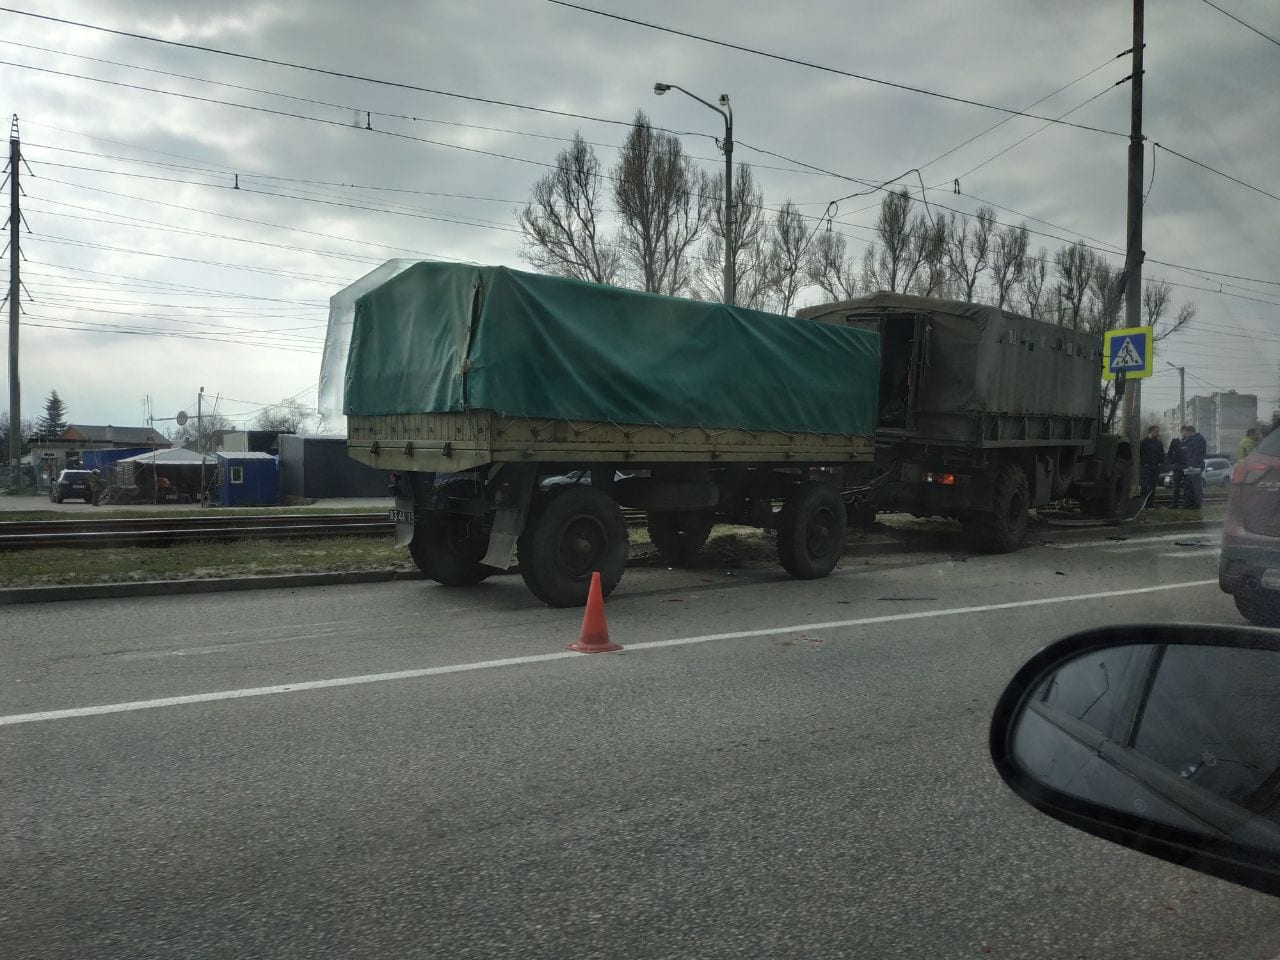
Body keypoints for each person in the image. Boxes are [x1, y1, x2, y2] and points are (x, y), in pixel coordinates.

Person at [1181, 424, 1208, 510]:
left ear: (1190, 432)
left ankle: (1196, 504)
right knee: (1189, 486)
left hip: (1194, 466)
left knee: (1196, 486)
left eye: (1186, 433)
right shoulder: (1193, 439)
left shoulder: (1198, 440)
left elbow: (1197, 454)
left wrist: (1193, 465)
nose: (1186, 435)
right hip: (1190, 466)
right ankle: (1190, 504)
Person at [1139, 425, 1165, 505]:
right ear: (1151, 431)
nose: (1158, 433)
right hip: (1146, 467)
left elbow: (1161, 454)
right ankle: (1143, 504)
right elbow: (1140, 454)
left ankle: (1150, 503)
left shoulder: (1158, 442)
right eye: (1156, 431)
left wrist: (1160, 462)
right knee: (1144, 485)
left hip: (1155, 467)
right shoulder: (1143, 442)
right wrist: (1144, 463)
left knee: (1152, 486)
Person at [1167, 431, 1185, 509]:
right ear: (1181, 432)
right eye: (1184, 433)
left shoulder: (1189, 441)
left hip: (1186, 466)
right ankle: (1175, 504)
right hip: (1177, 466)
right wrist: (1173, 463)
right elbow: (1170, 452)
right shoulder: (1175, 441)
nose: (1185, 434)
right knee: (1176, 486)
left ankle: (1186, 503)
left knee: (1187, 486)